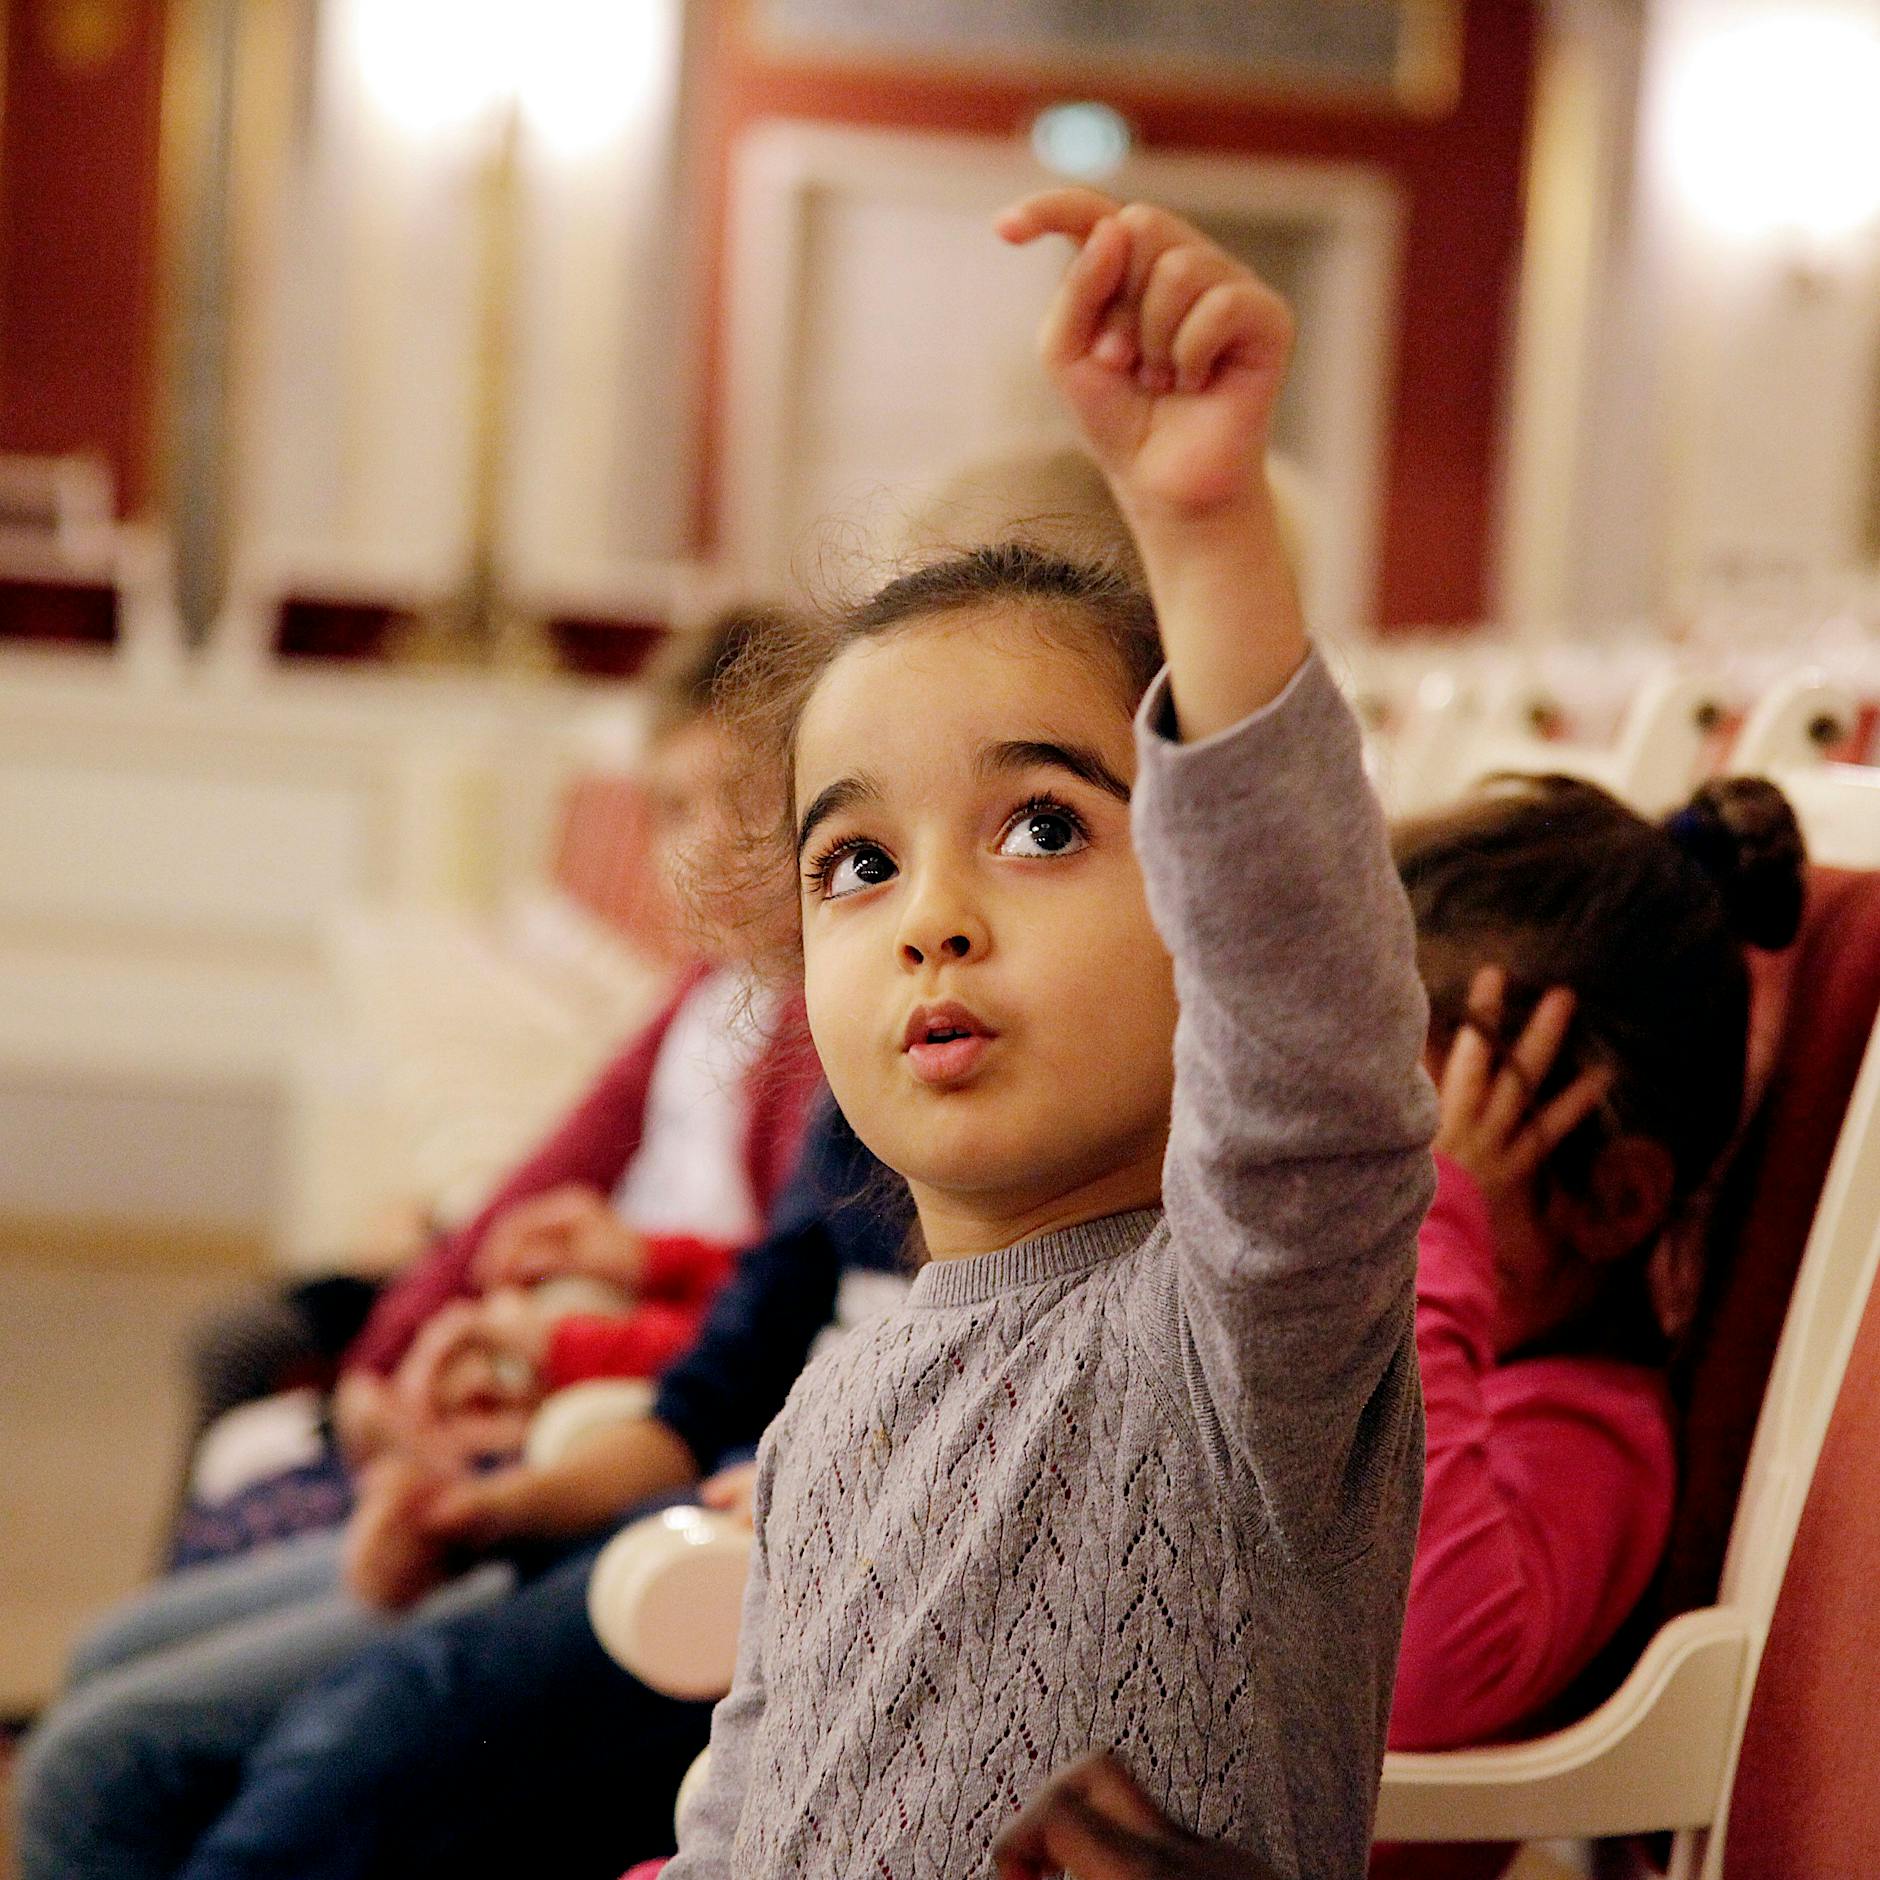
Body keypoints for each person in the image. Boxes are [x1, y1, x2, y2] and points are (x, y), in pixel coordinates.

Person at [660, 188, 1436, 1880]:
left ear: (1195, 903)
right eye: (857, 864)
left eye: (1042, 828)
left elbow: (1320, 1036)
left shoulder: (1249, 1325)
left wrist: (1205, 520)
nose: (935, 916)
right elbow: (740, 1813)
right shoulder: (831, 1412)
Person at [11, 609, 821, 1880]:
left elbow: (752, 1340)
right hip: (599, 1423)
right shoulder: (709, 998)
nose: (702, 847)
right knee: (150, 1594)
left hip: (637, 1465)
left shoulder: (817, 1033)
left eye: (740, 804)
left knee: (121, 1751)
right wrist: (380, 1377)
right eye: (671, 808)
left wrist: (575, 1330)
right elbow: (565, 1194)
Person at [1372, 773, 1804, 1880]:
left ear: (1612, 1201)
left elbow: (1415, 1669)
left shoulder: (1584, 1438)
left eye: (1398, 1168)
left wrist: (1431, 1246)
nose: (1338, 1207)